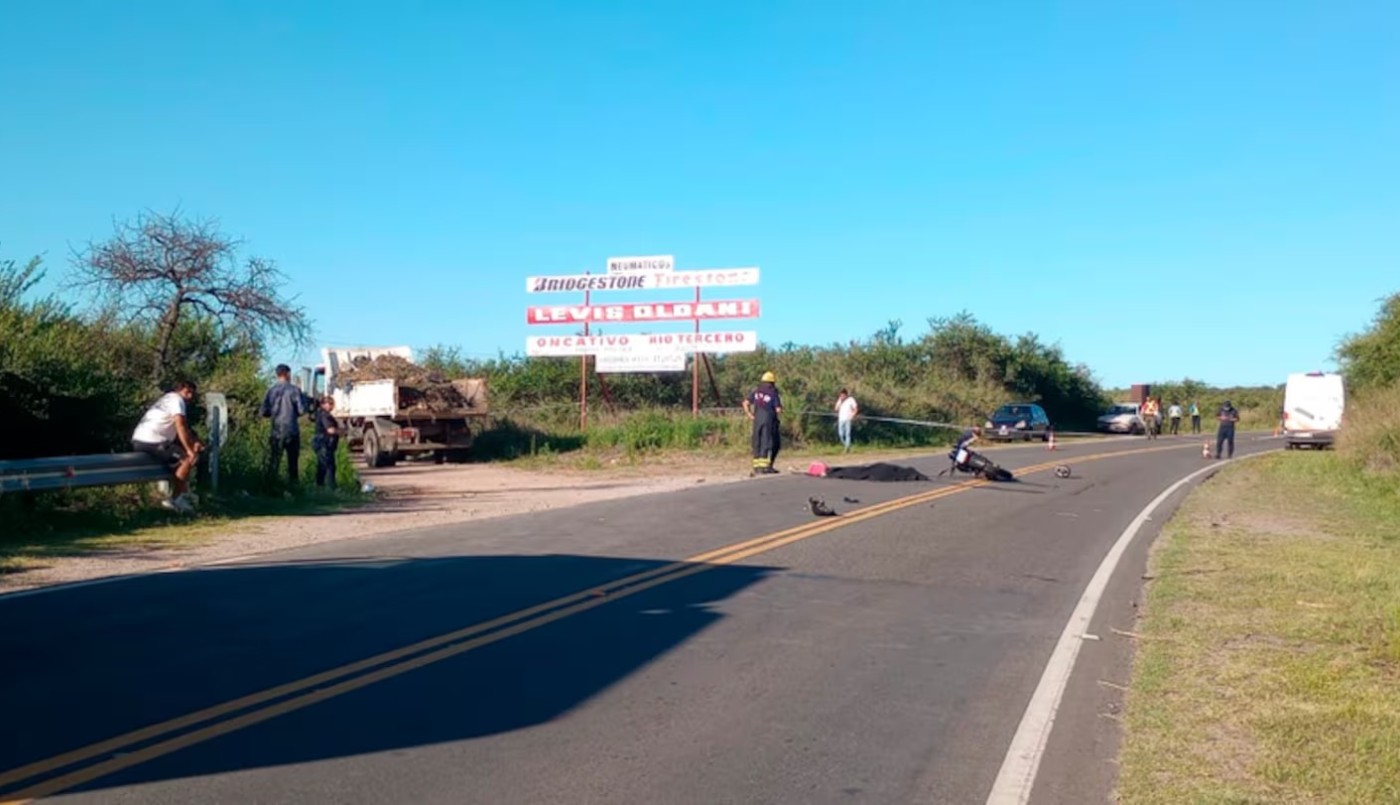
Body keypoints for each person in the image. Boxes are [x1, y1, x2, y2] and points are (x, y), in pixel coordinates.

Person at [131, 380, 204, 513]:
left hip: (141, 439)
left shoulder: (167, 400)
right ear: (179, 390)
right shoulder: (177, 400)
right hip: (152, 440)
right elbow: (180, 426)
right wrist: (189, 450)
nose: (190, 396)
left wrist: (193, 442)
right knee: (186, 459)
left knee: (179, 460)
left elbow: (180, 430)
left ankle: (182, 493)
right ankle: (175, 499)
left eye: (192, 393)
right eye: (187, 392)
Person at [261, 364, 308, 484]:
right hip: (291, 430)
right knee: (293, 463)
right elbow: (301, 410)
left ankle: (271, 486)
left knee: (274, 461)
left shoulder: (270, 391)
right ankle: (294, 487)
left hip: (276, 430)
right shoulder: (294, 390)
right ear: (287, 374)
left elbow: (263, 412)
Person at [742, 370, 783, 475]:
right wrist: (780, 410)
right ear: (772, 382)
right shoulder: (773, 392)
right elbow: (778, 409)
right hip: (768, 421)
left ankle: (756, 467)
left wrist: (750, 415)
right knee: (766, 442)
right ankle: (765, 468)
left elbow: (745, 403)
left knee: (757, 442)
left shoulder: (756, 391)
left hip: (757, 421)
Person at [312, 395, 340, 488]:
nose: (332, 406)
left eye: (333, 404)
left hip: (322, 442)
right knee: (329, 467)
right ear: (323, 404)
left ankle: (320, 487)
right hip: (324, 443)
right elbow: (330, 430)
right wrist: (342, 431)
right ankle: (331, 487)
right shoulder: (324, 415)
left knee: (322, 466)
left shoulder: (320, 414)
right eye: (330, 404)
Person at [834, 388, 859, 453]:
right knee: (841, 434)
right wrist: (840, 401)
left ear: (846, 395)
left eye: (843, 395)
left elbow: (855, 408)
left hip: (848, 419)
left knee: (847, 434)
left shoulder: (851, 400)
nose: (842, 396)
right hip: (841, 419)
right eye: (841, 395)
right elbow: (836, 409)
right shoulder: (840, 400)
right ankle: (847, 446)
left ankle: (846, 448)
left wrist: (853, 415)